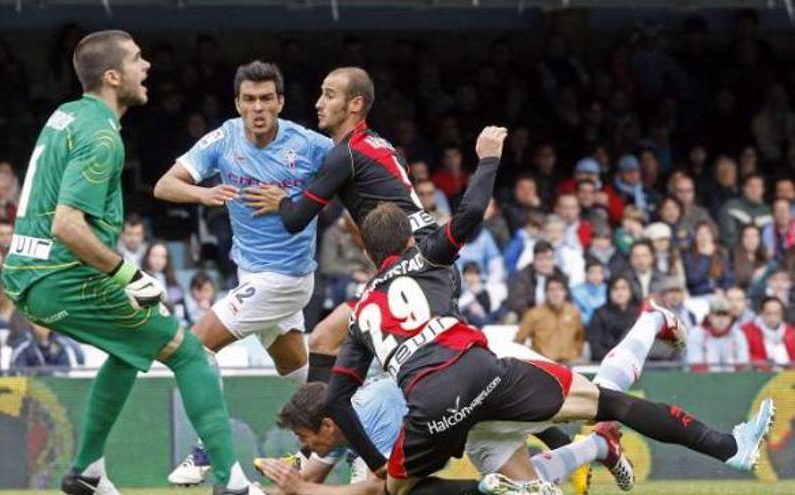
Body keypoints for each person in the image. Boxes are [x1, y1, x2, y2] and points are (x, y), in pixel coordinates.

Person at [325, 128, 772, 495]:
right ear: (408, 237)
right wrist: (487, 158)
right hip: (485, 371)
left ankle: (488, 490)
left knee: (395, 492)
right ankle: (727, 445)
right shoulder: (427, 257)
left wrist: (378, 463)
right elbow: (474, 210)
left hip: (429, 402)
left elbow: (335, 399)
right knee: (609, 402)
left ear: (365, 250)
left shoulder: (360, 309)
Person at [0, 30, 262, 495]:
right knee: (190, 353)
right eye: (139, 60)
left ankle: (87, 472)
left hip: (30, 272)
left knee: (130, 347)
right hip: (63, 277)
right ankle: (232, 482)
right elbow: (67, 225)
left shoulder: (67, 115)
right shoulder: (102, 135)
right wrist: (128, 273)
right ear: (113, 76)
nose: (148, 68)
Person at [242, 67, 438, 384]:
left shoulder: (344, 155)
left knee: (323, 340)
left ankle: (321, 428)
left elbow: (294, 220)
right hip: (425, 260)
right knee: (379, 363)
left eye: (329, 95)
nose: (319, 102)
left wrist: (280, 200)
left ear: (355, 104)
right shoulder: (380, 145)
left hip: (413, 267)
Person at [154, 60, 332, 386]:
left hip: (285, 279)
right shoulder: (225, 137)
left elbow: (358, 166)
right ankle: (356, 417)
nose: (258, 107)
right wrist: (202, 194)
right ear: (238, 104)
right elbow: (164, 186)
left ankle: (211, 439)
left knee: (193, 347)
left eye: (266, 98)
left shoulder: (309, 145)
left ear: (280, 102)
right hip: (249, 271)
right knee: (298, 372)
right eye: (249, 99)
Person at [264, 374, 628, 495]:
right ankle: (598, 444)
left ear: (326, 426)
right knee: (517, 487)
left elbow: (379, 489)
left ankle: (650, 320)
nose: (303, 447)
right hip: (457, 420)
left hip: (476, 413)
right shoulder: (341, 421)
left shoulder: (371, 419)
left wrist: (304, 489)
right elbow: (307, 479)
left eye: (304, 438)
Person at [514, 275, 584, 363]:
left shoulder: (573, 312)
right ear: (546, 293)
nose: (556, 293)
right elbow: (518, 341)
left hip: (570, 364)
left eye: (559, 289)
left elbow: (579, 338)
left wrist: (576, 356)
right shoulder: (534, 314)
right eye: (552, 290)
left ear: (565, 292)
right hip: (544, 365)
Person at [506, 240, 567, 320]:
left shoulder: (559, 275)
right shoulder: (523, 276)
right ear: (534, 260)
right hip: (527, 317)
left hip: (554, 317)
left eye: (548, 259)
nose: (545, 263)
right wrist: (536, 319)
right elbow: (518, 303)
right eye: (541, 259)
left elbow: (567, 300)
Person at [687, 296, 750, 372]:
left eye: (725, 314)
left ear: (731, 318)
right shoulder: (697, 333)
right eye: (717, 314)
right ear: (709, 317)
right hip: (704, 381)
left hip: (733, 380)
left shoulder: (737, 334)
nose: (721, 319)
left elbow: (743, 364)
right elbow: (696, 366)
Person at [718, 173, 772, 250]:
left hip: (761, 255)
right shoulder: (731, 207)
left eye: (758, 187)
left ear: (763, 190)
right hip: (734, 254)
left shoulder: (768, 212)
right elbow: (728, 237)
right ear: (744, 188)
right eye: (751, 186)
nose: (754, 190)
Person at [741, 297, 795, 369]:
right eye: (768, 313)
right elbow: (745, 357)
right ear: (761, 312)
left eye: (776, 313)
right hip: (761, 375)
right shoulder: (747, 331)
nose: (772, 317)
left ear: (782, 314)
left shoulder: (791, 332)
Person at [571, 258, 607, 325]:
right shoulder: (576, 292)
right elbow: (576, 314)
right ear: (586, 274)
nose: (596, 276)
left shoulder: (607, 289)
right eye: (593, 272)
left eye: (600, 273)